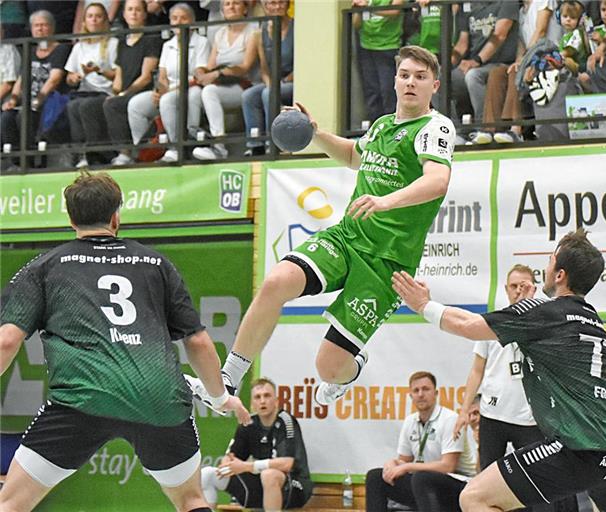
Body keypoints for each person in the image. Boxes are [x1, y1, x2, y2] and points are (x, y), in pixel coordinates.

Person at [185, 45, 455, 409]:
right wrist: (315, 133)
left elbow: (437, 181)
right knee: (276, 281)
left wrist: (385, 201)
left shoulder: (435, 127)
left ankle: (352, 369)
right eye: (404, 75)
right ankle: (228, 380)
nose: (411, 82)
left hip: (386, 264)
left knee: (328, 368)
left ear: (434, 86)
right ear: (395, 81)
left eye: (420, 77)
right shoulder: (382, 125)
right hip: (347, 238)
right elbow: (351, 156)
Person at [0, 171, 249, 512]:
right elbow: (199, 342)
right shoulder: (155, 263)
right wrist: (220, 397)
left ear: (70, 218)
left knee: (12, 502)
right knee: (191, 500)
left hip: (82, 399)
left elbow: (6, 342)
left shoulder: (46, 267)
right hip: (158, 399)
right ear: (117, 215)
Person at [392, 229, 606, 512]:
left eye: (549, 261)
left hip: (579, 447)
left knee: (473, 497)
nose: (545, 268)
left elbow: (468, 325)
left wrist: (424, 305)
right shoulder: (593, 320)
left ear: (559, 274)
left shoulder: (545, 312)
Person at [453, 265, 579, 512]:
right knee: (485, 486)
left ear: (533, 287)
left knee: (538, 485)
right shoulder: (493, 321)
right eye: (513, 286)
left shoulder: (545, 320)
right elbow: (477, 369)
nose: (518, 290)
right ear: (506, 289)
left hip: (530, 418)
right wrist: (463, 410)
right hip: (493, 414)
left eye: (524, 285)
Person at [365, 371, 477, 512]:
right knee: (375, 477)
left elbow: (448, 466)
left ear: (436, 393)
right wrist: (392, 463)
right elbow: (403, 462)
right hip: (424, 485)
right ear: (410, 395)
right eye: (416, 390)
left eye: (425, 389)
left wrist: (405, 467)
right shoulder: (410, 421)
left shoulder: (450, 419)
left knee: (421, 478)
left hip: (459, 487)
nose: (420, 394)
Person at [200, 378, 313, 510]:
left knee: (269, 475)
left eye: (267, 396)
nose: (262, 401)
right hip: (260, 485)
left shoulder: (285, 421)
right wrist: (228, 466)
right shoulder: (248, 423)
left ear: (276, 401)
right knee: (207, 475)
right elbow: (229, 459)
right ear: (252, 404)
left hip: (295, 486)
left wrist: (246, 466)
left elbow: (286, 464)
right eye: (258, 397)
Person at [127, 2, 211, 163]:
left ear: (192, 22)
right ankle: (144, 151)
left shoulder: (201, 42)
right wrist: (158, 90)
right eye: (174, 18)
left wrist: (167, 92)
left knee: (167, 99)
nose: (178, 22)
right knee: (136, 105)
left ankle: (174, 147)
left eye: (183, 18)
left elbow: (199, 74)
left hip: (192, 87)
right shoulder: (168, 45)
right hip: (169, 89)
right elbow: (162, 75)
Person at [472, 0, 562, 145]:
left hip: (548, 57)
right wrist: (519, 60)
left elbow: (541, 31)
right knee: (497, 73)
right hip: (528, 57)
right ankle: (489, 130)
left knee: (516, 74)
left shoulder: (543, 2)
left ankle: (515, 130)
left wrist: (525, 60)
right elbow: (521, 43)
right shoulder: (520, 12)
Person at [0, 10, 71, 168]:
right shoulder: (30, 50)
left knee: (24, 116)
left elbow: (54, 79)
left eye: (44, 25)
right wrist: (13, 99)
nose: (40, 29)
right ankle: (15, 161)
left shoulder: (61, 49)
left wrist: (38, 99)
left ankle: (31, 162)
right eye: (36, 26)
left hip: (51, 100)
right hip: (27, 101)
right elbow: (21, 79)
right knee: (6, 117)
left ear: (52, 28)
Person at [193, 0, 259, 161]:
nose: (231, 7)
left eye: (236, 3)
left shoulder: (254, 30)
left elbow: (245, 67)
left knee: (209, 91)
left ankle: (219, 145)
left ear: (245, 9)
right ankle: (192, 140)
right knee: (192, 94)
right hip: (222, 83)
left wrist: (217, 74)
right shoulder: (220, 33)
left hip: (244, 84)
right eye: (227, 4)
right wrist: (200, 72)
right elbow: (210, 65)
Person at [450, 0, 520, 142]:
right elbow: (462, 44)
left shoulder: (508, 2)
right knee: (440, 79)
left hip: (500, 63)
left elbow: (500, 34)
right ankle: (458, 131)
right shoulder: (467, 5)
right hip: (474, 63)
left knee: (473, 76)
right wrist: (445, 65)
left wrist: (476, 60)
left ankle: (484, 129)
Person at [105, 0, 162, 166]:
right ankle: (98, 155)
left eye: (138, 10)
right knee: (96, 105)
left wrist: (124, 94)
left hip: (145, 90)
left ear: (145, 14)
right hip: (126, 92)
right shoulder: (122, 42)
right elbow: (119, 75)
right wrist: (115, 92)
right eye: (130, 9)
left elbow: (145, 77)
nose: (134, 13)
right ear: (124, 14)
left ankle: (125, 152)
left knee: (113, 105)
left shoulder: (151, 38)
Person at [65, 2, 119, 168]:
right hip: (84, 91)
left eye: (98, 16)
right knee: (72, 106)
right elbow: (69, 76)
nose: (94, 20)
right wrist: (74, 78)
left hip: (105, 91)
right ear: (85, 21)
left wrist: (99, 70)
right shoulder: (79, 46)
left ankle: (98, 153)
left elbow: (117, 74)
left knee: (86, 106)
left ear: (105, 20)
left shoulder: (113, 43)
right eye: (90, 16)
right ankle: (81, 152)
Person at [242, 0, 294, 156]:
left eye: (280, 3)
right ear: (265, 6)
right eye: (272, 3)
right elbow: (264, 67)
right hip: (273, 81)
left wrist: (282, 83)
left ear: (287, 5)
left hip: (293, 80)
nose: (276, 7)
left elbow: (304, 61)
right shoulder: (260, 33)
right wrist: (271, 84)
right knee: (249, 95)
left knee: (268, 94)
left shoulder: (297, 27)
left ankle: (275, 142)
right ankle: (255, 143)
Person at [353, 0, 405, 124]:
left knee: (388, 91)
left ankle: (392, 127)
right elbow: (355, 23)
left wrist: (368, 8)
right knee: (371, 91)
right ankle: (375, 128)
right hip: (366, 46)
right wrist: (358, 10)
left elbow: (395, 10)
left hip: (388, 45)